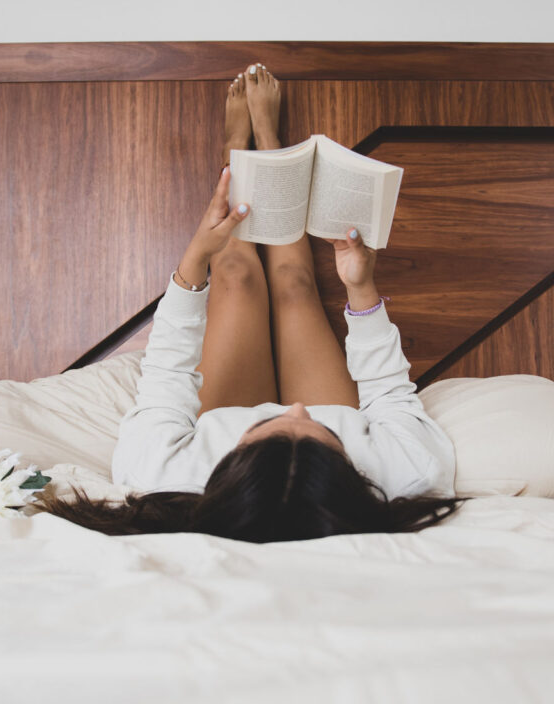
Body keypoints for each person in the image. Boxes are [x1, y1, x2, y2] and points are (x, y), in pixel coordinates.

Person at [41, 63, 460, 542]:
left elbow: (167, 376)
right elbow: (388, 394)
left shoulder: (162, 477)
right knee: (295, 286)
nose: (299, 409)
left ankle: (236, 155)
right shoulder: (408, 474)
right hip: (323, 446)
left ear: (229, 468)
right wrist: (360, 287)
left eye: (274, 424)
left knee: (236, 276)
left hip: (220, 420)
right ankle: (271, 148)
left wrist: (196, 256)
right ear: (353, 476)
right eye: (329, 439)